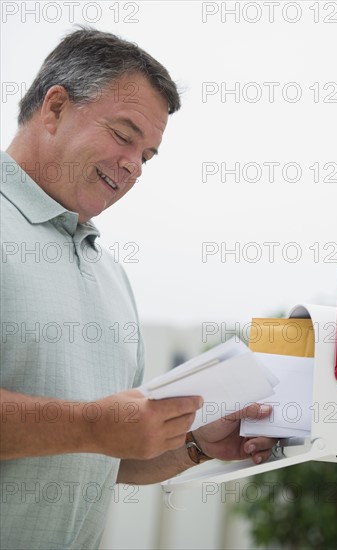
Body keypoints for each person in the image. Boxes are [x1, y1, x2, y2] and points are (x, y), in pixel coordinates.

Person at [0, 28, 276, 549]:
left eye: (146, 156)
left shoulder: (111, 276)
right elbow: (92, 431)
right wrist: (91, 427)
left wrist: (193, 443)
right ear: (54, 108)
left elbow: (105, 454)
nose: (132, 166)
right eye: (124, 135)